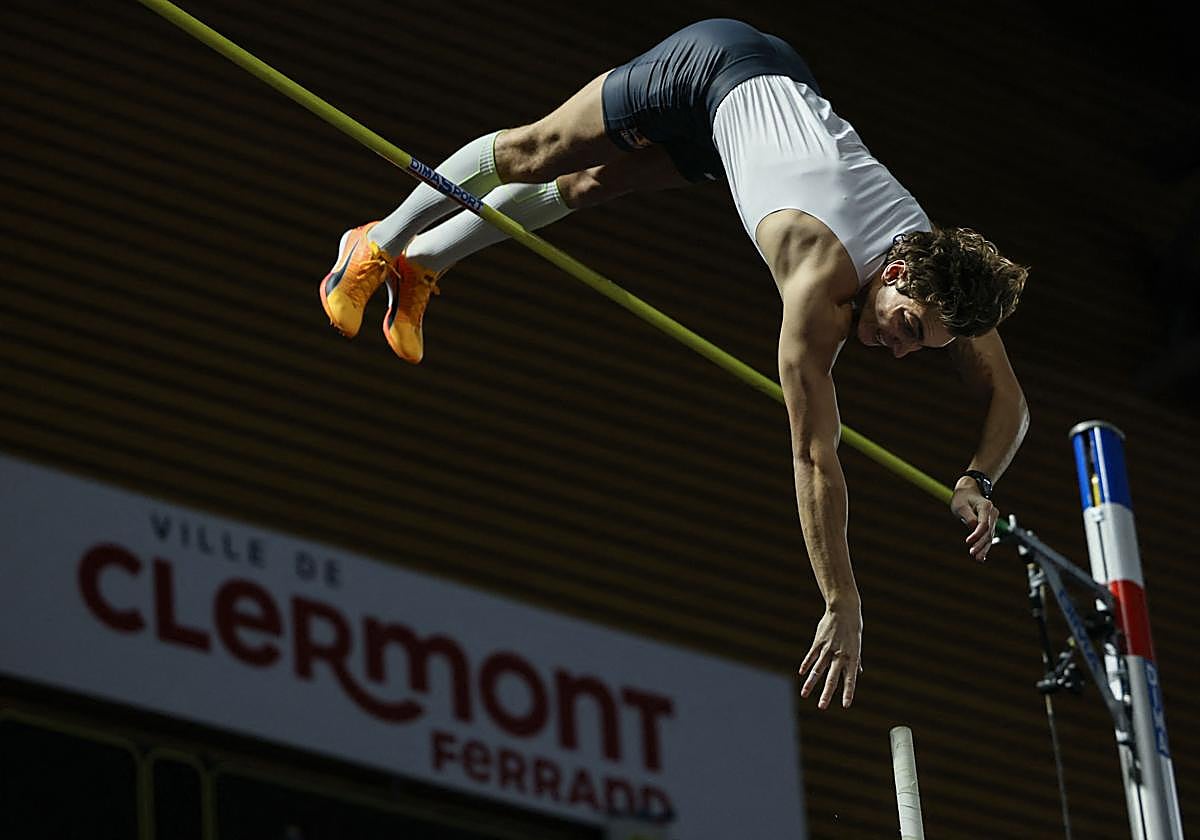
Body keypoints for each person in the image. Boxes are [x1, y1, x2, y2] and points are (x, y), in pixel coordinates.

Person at [318, 19, 1030, 710]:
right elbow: (816, 458)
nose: (901, 348)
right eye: (905, 327)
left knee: (599, 184)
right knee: (539, 152)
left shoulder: (942, 281)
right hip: (712, 66)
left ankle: (423, 265)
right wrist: (842, 600)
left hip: (764, 109)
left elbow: (1009, 398)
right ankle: (377, 242)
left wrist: (978, 478)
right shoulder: (817, 284)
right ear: (898, 269)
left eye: (920, 348)